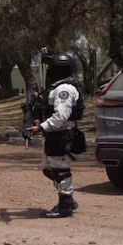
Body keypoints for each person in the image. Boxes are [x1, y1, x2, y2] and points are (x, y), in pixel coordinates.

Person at [29, 52, 85, 218]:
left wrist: (40, 128)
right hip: (54, 134)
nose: (49, 72)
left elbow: (61, 117)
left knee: (61, 170)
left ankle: (65, 206)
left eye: (51, 69)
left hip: (62, 134)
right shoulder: (56, 88)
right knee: (49, 169)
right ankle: (68, 199)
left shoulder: (64, 89)